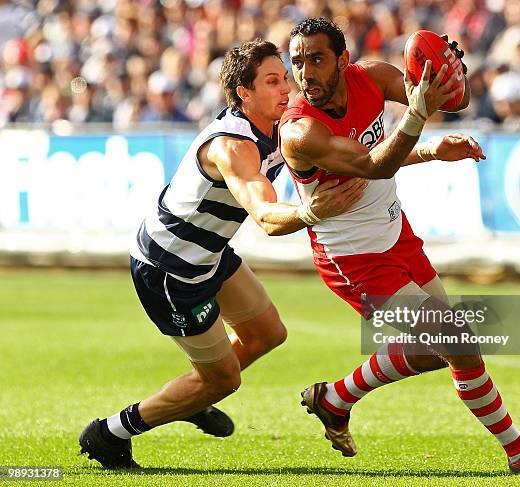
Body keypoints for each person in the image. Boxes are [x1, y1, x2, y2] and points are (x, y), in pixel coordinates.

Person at [279, 18, 520, 476]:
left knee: (437, 350)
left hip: (398, 235)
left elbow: (448, 99)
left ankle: (335, 398)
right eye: (297, 61)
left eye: (315, 59)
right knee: (457, 341)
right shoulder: (299, 131)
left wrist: (447, 78)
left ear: (343, 59)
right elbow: (373, 164)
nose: (305, 72)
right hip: (352, 260)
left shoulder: (372, 77)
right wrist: (419, 120)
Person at [79, 39, 367, 469]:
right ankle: (109, 433)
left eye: (284, 77)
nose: (285, 87)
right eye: (272, 81)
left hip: (209, 253)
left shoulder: (278, 124)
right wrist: (312, 210)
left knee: (268, 334)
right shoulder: (233, 145)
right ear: (244, 92)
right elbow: (267, 218)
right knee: (225, 380)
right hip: (171, 271)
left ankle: (196, 393)